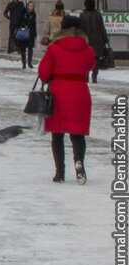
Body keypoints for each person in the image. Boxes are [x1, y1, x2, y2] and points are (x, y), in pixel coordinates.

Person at [38, 14, 94, 184]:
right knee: (77, 133)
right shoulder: (87, 49)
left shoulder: (54, 48)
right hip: (80, 92)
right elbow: (90, 65)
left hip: (58, 93)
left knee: (57, 134)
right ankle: (79, 164)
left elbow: (43, 72)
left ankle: (60, 172)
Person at [79, 0, 110, 83]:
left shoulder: (82, 15)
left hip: (86, 41)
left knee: (86, 59)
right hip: (97, 40)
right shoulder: (98, 15)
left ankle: (86, 75)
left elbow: (81, 29)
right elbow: (102, 28)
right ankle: (94, 76)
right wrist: (105, 39)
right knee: (95, 59)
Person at [16, 1, 39, 69]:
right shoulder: (23, 13)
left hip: (31, 32)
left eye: (32, 6)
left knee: (30, 48)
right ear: (28, 6)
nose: (31, 7)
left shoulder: (33, 14)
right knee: (23, 48)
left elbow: (34, 24)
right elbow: (19, 21)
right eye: (30, 6)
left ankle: (29, 63)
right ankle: (24, 63)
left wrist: (35, 33)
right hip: (24, 32)